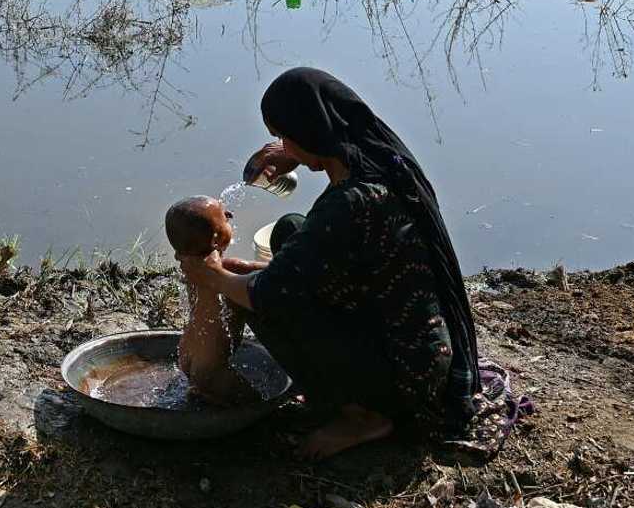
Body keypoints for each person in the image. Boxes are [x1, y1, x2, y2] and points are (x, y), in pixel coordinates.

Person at [176, 67, 483, 459]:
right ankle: (346, 389)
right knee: (290, 229)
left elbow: (269, 295)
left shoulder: (353, 203)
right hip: (408, 338)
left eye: (285, 136)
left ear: (311, 131)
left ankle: (365, 416)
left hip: (407, 378)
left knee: (264, 295)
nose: (281, 144)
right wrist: (294, 154)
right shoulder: (376, 159)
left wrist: (210, 275)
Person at [164, 196, 259, 405]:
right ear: (216, 240)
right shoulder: (231, 269)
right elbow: (272, 275)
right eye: (224, 217)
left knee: (208, 388)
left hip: (187, 353)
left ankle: (203, 392)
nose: (229, 216)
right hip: (211, 368)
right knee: (252, 401)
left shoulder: (189, 269)